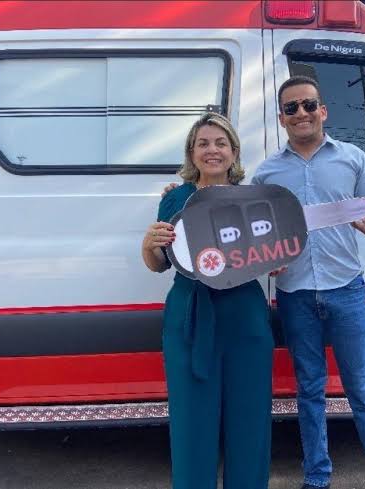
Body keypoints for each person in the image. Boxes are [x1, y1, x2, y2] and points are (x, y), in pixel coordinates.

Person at [251, 75, 365, 489]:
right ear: (282, 118)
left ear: (323, 110)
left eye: (308, 104)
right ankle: (317, 478)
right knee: (309, 392)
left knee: (364, 391)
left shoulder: (353, 159)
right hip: (295, 294)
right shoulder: (266, 175)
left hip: (346, 289)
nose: (300, 113)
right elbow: (257, 235)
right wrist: (267, 259)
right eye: (291, 108)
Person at [142, 113, 273, 489]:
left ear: (234, 151)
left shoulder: (254, 199)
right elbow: (159, 263)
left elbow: (272, 253)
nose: (212, 150)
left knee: (250, 422)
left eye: (220, 143)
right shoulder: (175, 199)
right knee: (191, 426)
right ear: (191, 152)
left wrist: (276, 261)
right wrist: (148, 246)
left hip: (245, 319)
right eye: (203, 143)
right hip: (190, 318)